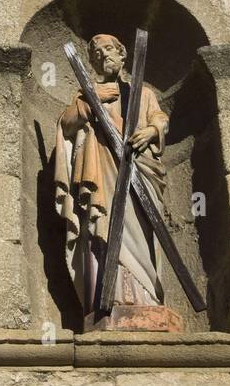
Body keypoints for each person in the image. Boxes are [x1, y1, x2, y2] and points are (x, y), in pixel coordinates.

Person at [54, 32, 169, 318]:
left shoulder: (143, 93)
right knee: (101, 225)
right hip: (102, 170)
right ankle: (107, 301)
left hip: (139, 171)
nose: (103, 55)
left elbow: (160, 118)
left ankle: (147, 299)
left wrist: (152, 130)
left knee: (141, 230)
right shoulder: (87, 93)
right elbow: (67, 124)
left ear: (122, 54)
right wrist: (90, 103)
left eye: (108, 49)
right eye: (96, 54)